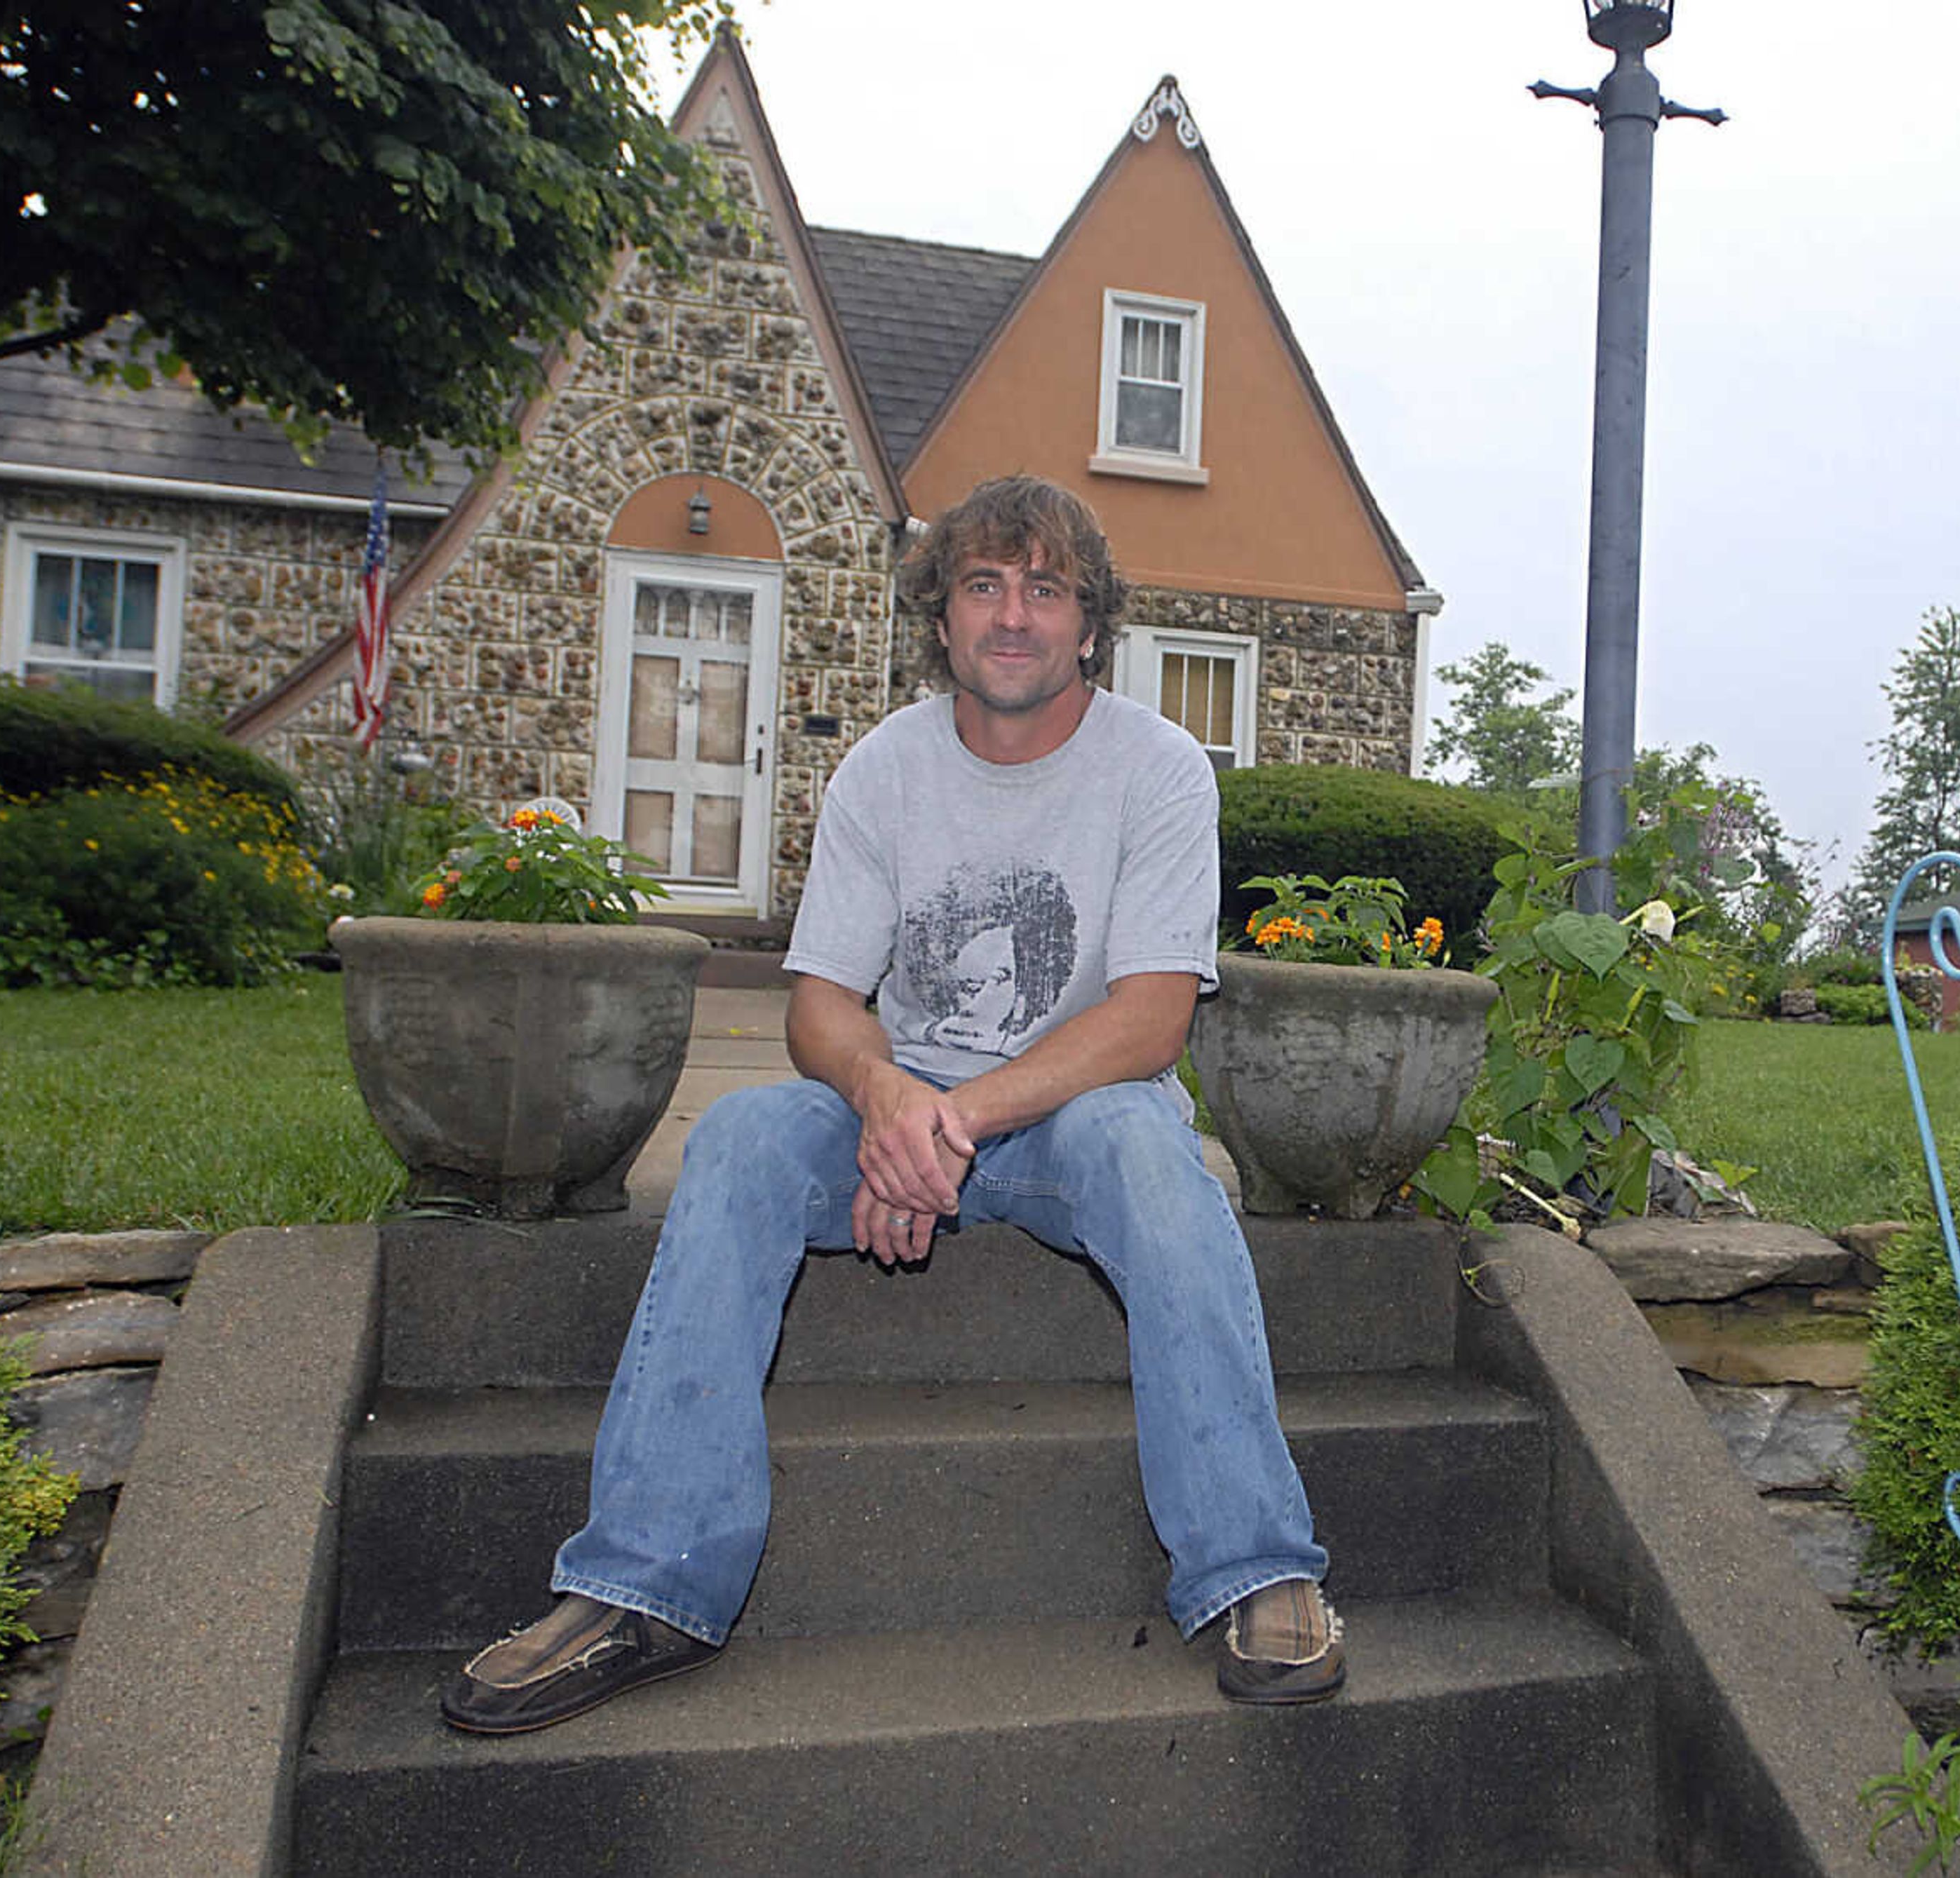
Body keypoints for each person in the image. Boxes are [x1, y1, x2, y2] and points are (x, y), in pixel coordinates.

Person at [440, 474, 1342, 1734]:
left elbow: (1149, 1019)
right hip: (906, 1105)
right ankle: (645, 1583)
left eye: (1045, 589)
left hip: (1081, 1116)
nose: (1013, 615)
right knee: (747, 1139)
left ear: (1091, 625)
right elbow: (820, 1006)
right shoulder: (884, 768)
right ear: (942, 617)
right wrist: (884, 1097)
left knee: (1153, 1155)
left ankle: (1258, 1563)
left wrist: (945, 1125)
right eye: (984, 585)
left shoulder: (1159, 769)